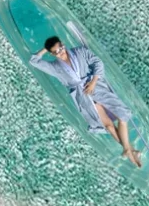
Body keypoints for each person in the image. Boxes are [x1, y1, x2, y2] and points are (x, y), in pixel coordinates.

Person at [33, 36, 141, 168]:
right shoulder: (55, 67)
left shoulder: (80, 51)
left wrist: (94, 82)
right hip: (83, 96)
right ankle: (129, 150)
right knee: (108, 127)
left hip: (96, 87)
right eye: (56, 52)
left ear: (63, 44)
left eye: (61, 48)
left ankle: (128, 150)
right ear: (52, 53)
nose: (61, 52)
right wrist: (45, 48)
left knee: (122, 116)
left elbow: (98, 63)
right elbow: (34, 61)